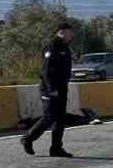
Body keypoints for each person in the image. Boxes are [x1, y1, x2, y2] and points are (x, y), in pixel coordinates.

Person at [21, 23, 76, 158]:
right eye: (70, 32)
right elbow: (46, 70)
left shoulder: (65, 47)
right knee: (49, 117)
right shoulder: (51, 46)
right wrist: (52, 89)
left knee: (60, 119)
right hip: (50, 89)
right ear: (61, 32)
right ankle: (27, 138)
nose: (72, 35)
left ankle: (56, 148)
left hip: (62, 87)